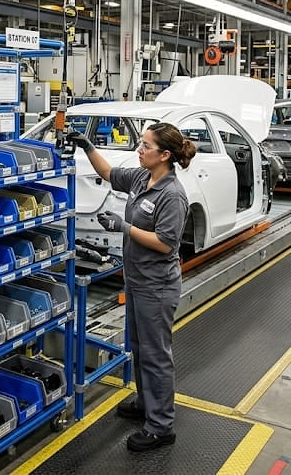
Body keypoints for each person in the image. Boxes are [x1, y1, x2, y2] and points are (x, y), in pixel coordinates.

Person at [67, 123, 196, 452]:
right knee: (139, 348)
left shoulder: (172, 194)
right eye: (140, 143)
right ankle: (146, 403)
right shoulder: (141, 177)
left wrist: (124, 226)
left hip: (158, 286)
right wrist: (86, 146)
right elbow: (108, 173)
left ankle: (161, 425)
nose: (140, 149)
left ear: (164, 155)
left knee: (156, 355)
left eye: (146, 145)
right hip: (137, 280)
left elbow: (165, 243)